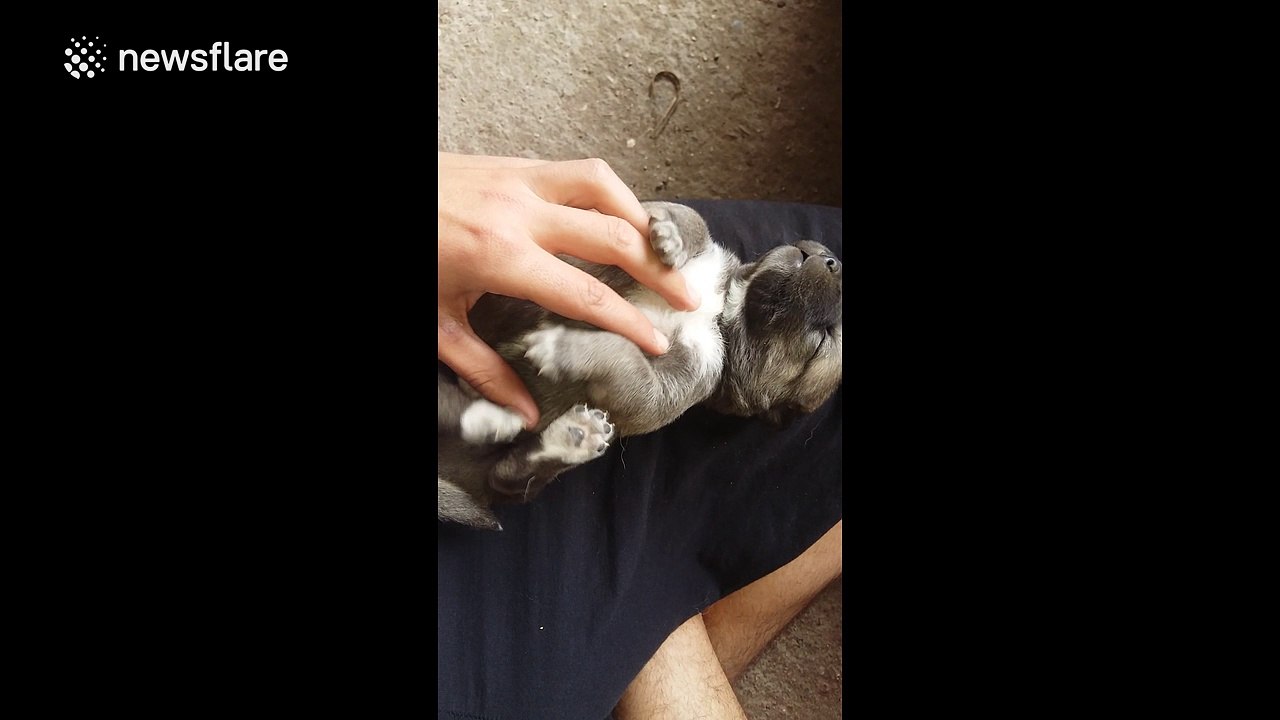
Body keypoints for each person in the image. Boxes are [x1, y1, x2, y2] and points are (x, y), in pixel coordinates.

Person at [438, 152, 843, 719]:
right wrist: (674, 228)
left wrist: (596, 355)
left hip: (480, 407)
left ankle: (534, 463)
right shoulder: (720, 263)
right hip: (479, 309)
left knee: (484, 454)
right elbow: (678, 226)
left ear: (766, 403)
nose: (830, 266)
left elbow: (643, 400)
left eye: (823, 337)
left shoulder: (701, 369)